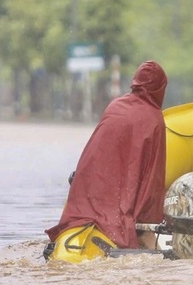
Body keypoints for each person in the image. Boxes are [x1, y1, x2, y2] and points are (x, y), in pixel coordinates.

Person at [46, 61, 169, 258]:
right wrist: (151, 219)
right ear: (160, 88)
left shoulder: (116, 105)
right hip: (123, 204)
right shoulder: (154, 119)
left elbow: (98, 154)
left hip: (92, 194)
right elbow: (152, 177)